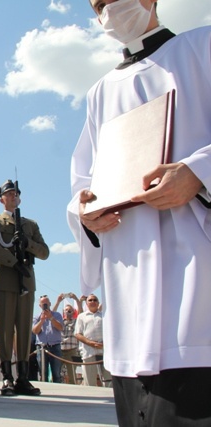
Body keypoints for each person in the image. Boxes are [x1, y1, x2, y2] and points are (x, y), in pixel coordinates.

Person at [67, 1, 211, 424]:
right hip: (126, 276)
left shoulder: (201, 46)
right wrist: (84, 212)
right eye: (98, 4)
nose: (108, 8)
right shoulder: (100, 92)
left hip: (195, 271)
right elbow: (82, 180)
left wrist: (198, 173)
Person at [0, 179, 49, 396]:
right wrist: (15, 263)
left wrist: (27, 244)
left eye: (16, 193)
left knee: (23, 328)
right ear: (2, 199)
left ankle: (22, 377)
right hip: (5, 276)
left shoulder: (30, 224)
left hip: (26, 279)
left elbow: (44, 252)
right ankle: (7, 378)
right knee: (4, 328)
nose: (13, 196)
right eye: (9, 194)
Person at [74, 294, 111, 387]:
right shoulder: (81, 316)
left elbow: (110, 331)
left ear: (98, 303)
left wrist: (104, 343)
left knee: (109, 380)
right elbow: (78, 334)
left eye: (95, 300)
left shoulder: (105, 315)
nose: (92, 302)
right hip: (88, 351)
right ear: (86, 303)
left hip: (104, 350)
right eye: (90, 300)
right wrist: (90, 343)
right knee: (89, 381)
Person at [32, 295, 64, 383]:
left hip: (55, 347)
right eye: (43, 303)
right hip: (41, 348)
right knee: (43, 373)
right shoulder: (36, 317)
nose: (45, 305)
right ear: (40, 305)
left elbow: (60, 327)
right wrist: (41, 321)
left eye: (46, 303)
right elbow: (35, 331)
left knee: (56, 373)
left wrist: (51, 318)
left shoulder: (57, 315)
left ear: (50, 304)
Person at [52, 293, 83, 384]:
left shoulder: (76, 321)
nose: (68, 312)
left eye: (70, 310)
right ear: (63, 312)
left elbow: (81, 314)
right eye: (66, 310)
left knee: (72, 374)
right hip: (59, 350)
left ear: (73, 312)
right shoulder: (59, 322)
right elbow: (51, 315)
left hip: (71, 350)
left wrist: (77, 300)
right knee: (56, 373)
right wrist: (58, 301)